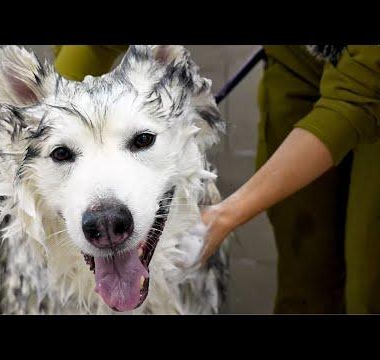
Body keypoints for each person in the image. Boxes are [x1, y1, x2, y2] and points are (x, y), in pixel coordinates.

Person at [53, 45, 380, 314]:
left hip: (369, 69)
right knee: (304, 265)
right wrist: (53, 110)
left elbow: (356, 98)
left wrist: (225, 216)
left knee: (369, 284)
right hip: (294, 55)